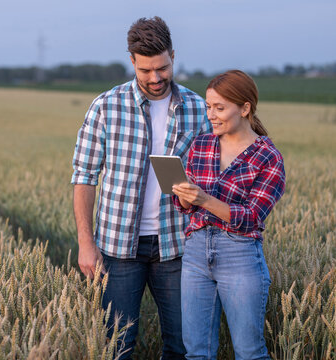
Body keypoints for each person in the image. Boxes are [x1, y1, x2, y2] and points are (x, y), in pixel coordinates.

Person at [71, 16, 211, 359]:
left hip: (178, 246)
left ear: (173, 56)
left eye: (162, 68)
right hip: (118, 249)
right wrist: (86, 244)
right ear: (132, 61)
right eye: (146, 70)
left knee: (183, 345)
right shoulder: (106, 106)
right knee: (117, 347)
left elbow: (215, 173)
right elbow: (84, 177)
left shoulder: (197, 108)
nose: (155, 78)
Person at [172, 70, 286, 359]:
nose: (211, 115)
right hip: (196, 252)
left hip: (240, 255)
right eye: (209, 106)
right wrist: (185, 199)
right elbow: (186, 205)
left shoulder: (268, 157)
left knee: (249, 352)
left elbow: (251, 217)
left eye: (220, 108)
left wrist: (205, 199)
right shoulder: (201, 145)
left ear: (245, 108)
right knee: (196, 353)